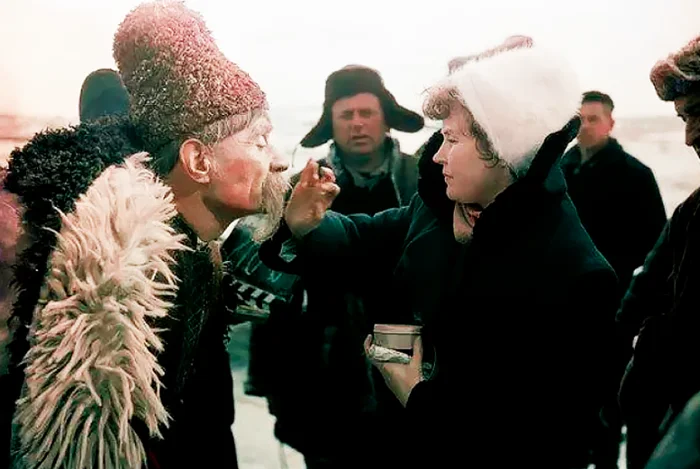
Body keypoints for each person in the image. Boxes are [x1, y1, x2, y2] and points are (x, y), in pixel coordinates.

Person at [262, 36, 619, 467]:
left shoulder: (575, 275)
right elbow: (361, 237)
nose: (437, 156)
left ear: (499, 146)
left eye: (452, 139)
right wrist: (308, 224)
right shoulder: (438, 209)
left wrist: (417, 395)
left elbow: (546, 436)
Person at [3, 1, 288, 467]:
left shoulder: (193, 248)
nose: (277, 160)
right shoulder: (125, 283)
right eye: (259, 141)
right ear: (198, 161)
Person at [238, 64, 425, 468]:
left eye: (366, 112)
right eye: (346, 114)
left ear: (386, 119)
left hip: (405, 358)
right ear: (331, 124)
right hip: (320, 373)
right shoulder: (301, 189)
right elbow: (271, 292)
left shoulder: (424, 183)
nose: (357, 123)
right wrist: (268, 382)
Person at [560, 90, 667, 469]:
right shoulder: (559, 171)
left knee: (609, 404)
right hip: (564, 309)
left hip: (614, 310)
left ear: (610, 123)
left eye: (594, 119)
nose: (585, 127)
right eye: (580, 120)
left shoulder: (635, 175)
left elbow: (656, 249)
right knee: (566, 404)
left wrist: (635, 308)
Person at [616, 33, 700, 469]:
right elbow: (643, 289)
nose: (689, 136)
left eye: (699, 113)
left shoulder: (636, 176)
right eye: (684, 117)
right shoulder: (690, 213)